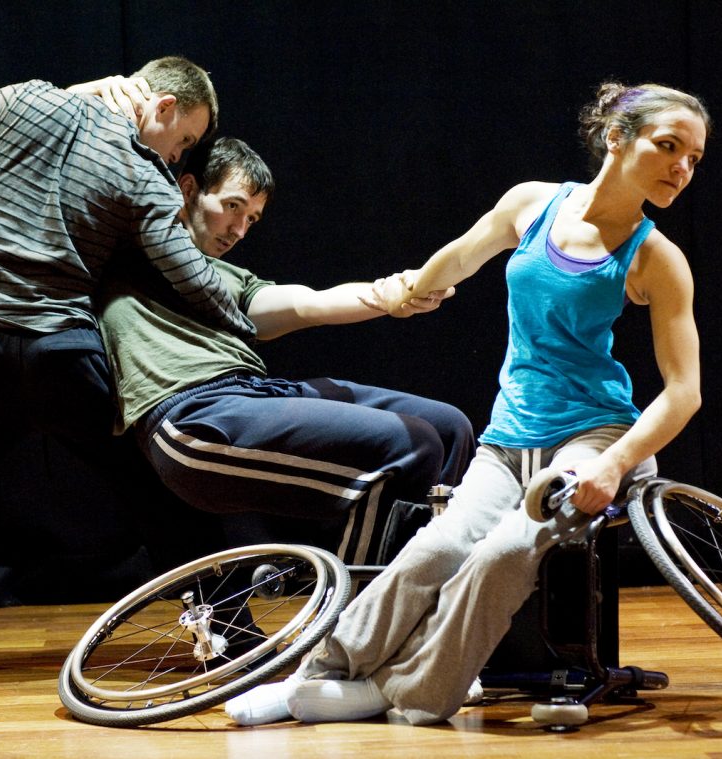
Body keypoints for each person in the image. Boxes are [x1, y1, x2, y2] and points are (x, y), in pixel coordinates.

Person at [227, 81, 710, 726]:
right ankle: (317, 676)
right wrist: (408, 291)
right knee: (435, 550)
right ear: (617, 139)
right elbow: (460, 256)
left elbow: (684, 392)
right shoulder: (533, 204)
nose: (682, 168)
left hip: (594, 438)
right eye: (670, 146)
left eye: (694, 158)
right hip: (511, 436)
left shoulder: (656, 258)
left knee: (503, 555)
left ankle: (405, 693)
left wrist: (615, 463)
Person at [0, 56, 253, 680]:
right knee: (153, 485)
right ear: (163, 106)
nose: (178, 156)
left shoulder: (26, 98)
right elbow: (190, 276)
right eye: (184, 140)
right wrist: (248, 319)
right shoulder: (143, 171)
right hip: (60, 351)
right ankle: (234, 639)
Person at [97, 135, 476, 567]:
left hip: (254, 393)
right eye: (233, 206)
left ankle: (430, 586)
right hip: (193, 415)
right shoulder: (131, 244)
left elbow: (306, 304)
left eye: (252, 219)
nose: (239, 230)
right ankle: (365, 607)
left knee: (449, 426)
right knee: (411, 444)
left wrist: (390, 294)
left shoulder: (231, 279)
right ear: (188, 189)